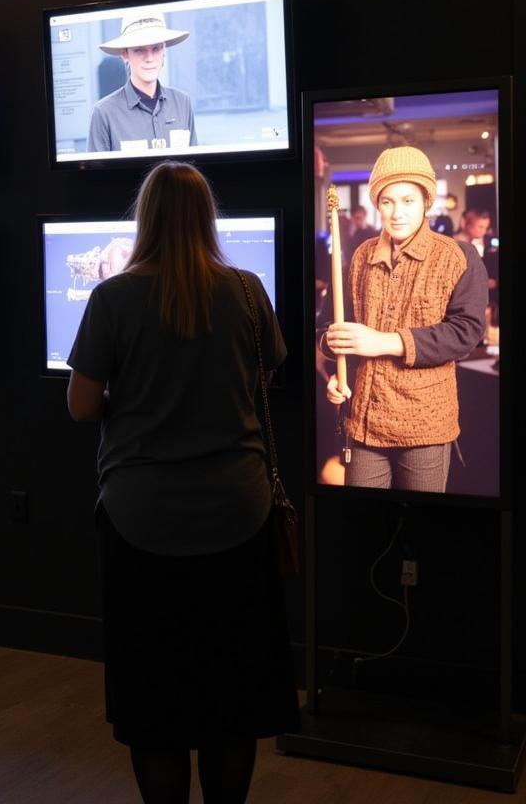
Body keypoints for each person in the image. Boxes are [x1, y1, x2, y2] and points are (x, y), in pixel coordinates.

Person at [67, 161, 298, 804]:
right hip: (239, 517)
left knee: (156, 706)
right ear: (207, 217)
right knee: (233, 700)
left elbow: (82, 407)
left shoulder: (112, 298)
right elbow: (263, 382)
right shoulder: (248, 291)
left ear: (144, 220)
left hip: (141, 522)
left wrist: (136, 398)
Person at [325, 146, 488, 492]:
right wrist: (336, 366)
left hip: (425, 427)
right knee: (365, 527)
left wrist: (385, 341)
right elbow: (332, 329)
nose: (397, 213)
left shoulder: (458, 256)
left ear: (426, 202)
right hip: (364, 423)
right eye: (387, 201)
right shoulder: (361, 256)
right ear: (377, 204)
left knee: (420, 530)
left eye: (408, 201)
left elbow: (467, 332)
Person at [87, 11, 195, 153]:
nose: (149, 58)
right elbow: (94, 174)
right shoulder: (104, 113)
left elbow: (193, 168)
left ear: (163, 51)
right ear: (125, 54)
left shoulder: (183, 103)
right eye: (139, 50)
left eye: (156, 48)